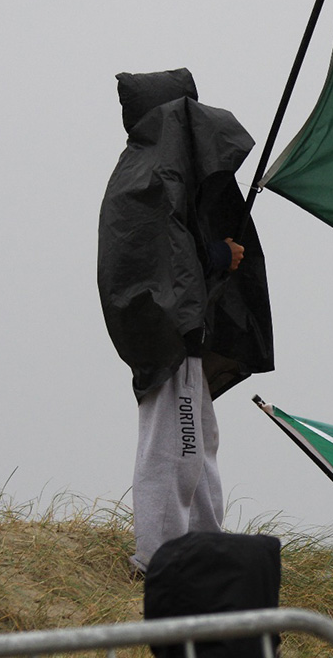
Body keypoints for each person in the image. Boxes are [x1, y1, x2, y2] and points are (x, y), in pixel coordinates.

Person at [97, 69, 274, 576]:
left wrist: (212, 255)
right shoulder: (154, 174)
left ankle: (202, 547)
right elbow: (159, 255)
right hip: (170, 332)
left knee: (196, 443)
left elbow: (165, 247)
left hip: (175, 330)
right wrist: (217, 255)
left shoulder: (153, 169)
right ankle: (160, 557)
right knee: (177, 445)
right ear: (178, 117)